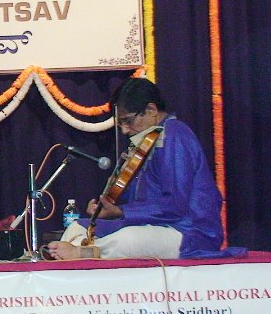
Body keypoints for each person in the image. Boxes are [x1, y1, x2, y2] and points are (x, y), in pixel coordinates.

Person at [46, 77, 226, 260]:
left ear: (151, 110)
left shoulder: (175, 135)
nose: (124, 131)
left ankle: (82, 253)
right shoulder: (146, 142)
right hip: (152, 226)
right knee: (78, 227)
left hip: (187, 231)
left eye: (128, 121)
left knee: (127, 240)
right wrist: (108, 209)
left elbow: (175, 205)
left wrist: (121, 212)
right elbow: (137, 202)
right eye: (120, 124)